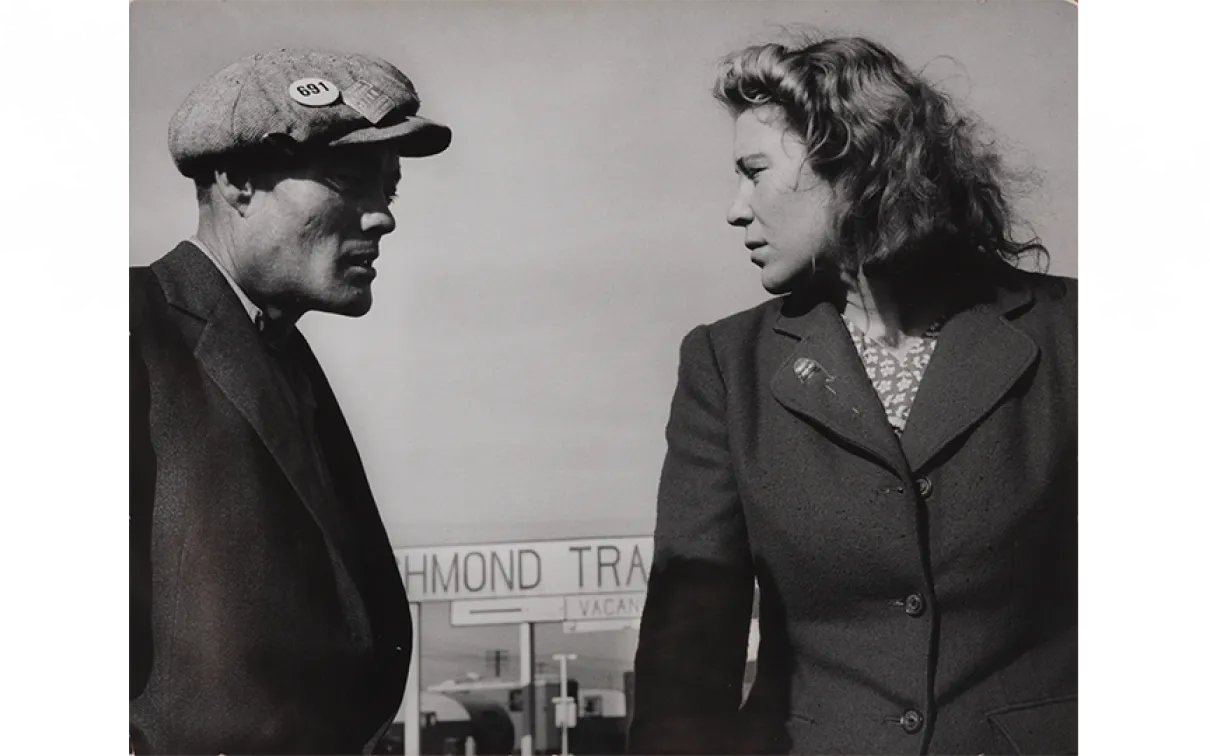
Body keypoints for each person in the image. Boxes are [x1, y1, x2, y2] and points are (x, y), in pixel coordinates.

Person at [627, 35, 1078, 756]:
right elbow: (689, 658)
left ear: (853, 163)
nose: (735, 210)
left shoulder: (1068, 336)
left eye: (754, 172)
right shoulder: (725, 366)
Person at [127, 48, 452, 756]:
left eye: (389, 192)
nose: (382, 219)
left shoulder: (282, 356)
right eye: (347, 180)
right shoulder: (131, 326)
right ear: (239, 180)